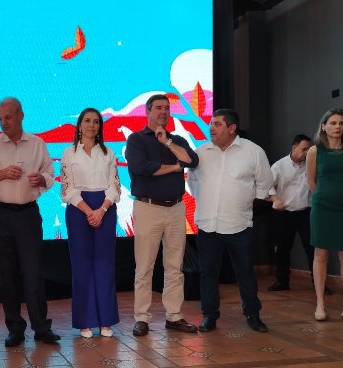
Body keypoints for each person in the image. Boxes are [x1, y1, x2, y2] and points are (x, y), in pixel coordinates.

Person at [0, 97, 60, 347]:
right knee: (7, 274)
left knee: (33, 272)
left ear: (21, 116)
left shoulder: (37, 143)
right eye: (0, 118)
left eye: (8, 117)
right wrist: (2, 174)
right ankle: (14, 328)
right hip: (0, 214)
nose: (4, 122)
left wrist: (41, 180)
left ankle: (41, 327)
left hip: (28, 214)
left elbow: (50, 174)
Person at [188, 109, 272, 333]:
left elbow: (264, 184)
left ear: (232, 128)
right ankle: (209, 315)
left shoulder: (253, 152)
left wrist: (241, 202)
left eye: (216, 124)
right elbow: (193, 182)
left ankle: (253, 314)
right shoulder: (201, 152)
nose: (211, 128)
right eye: (211, 124)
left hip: (239, 224)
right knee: (208, 273)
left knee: (245, 271)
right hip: (208, 223)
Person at [125, 95, 200, 336]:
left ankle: (174, 316)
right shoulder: (136, 139)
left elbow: (192, 160)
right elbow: (141, 168)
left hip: (176, 208)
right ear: (147, 111)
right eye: (158, 108)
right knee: (145, 266)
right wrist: (176, 168)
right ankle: (142, 318)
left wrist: (167, 143)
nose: (164, 112)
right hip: (148, 208)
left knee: (174, 265)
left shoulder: (175, 139)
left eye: (167, 108)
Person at [60, 108, 121, 338]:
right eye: (87, 121)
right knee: (82, 265)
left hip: (105, 209)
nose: (91, 125)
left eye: (96, 122)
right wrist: (88, 211)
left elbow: (115, 186)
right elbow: (67, 188)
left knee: (105, 264)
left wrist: (102, 210)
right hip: (78, 211)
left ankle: (106, 321)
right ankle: (85, 321)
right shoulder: (68, 153)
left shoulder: (109, 153)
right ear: (79, 124)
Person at [307, 108, 343, 322]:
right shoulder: (315, 151)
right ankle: (320, 304)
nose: (337, 126)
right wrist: (324, 194)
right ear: (323, 126)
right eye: (333, 123)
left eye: (341, 123)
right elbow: (311, 181)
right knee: (321, 254)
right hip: (322, 206)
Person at [268, 134, 330, 293]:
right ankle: (282, 281)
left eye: (309, 150)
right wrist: (275, 199)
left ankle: (319, 284)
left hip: (306, 212)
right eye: (303, 149)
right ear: (294, 148)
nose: (306, 153)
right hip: (284, 213)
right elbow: (267, 186)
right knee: (282, 249)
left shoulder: (312, 165)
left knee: (313, 249)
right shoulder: (279, 166)